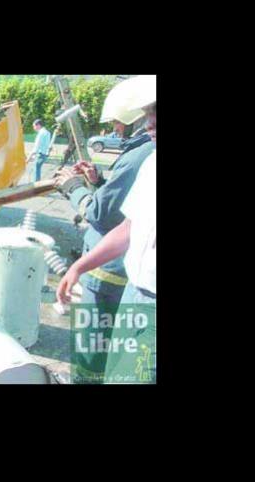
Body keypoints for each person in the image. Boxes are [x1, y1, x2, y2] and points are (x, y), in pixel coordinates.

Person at [56, 75, 156, 384]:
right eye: (148, 114)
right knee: (115, 371)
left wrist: (73, 188)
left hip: (135, 293)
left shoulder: (139, 156)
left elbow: (99, 212)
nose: (149, 123)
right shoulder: (151, 162)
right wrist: (78, 266)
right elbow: (129, 224)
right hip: (131, 291)